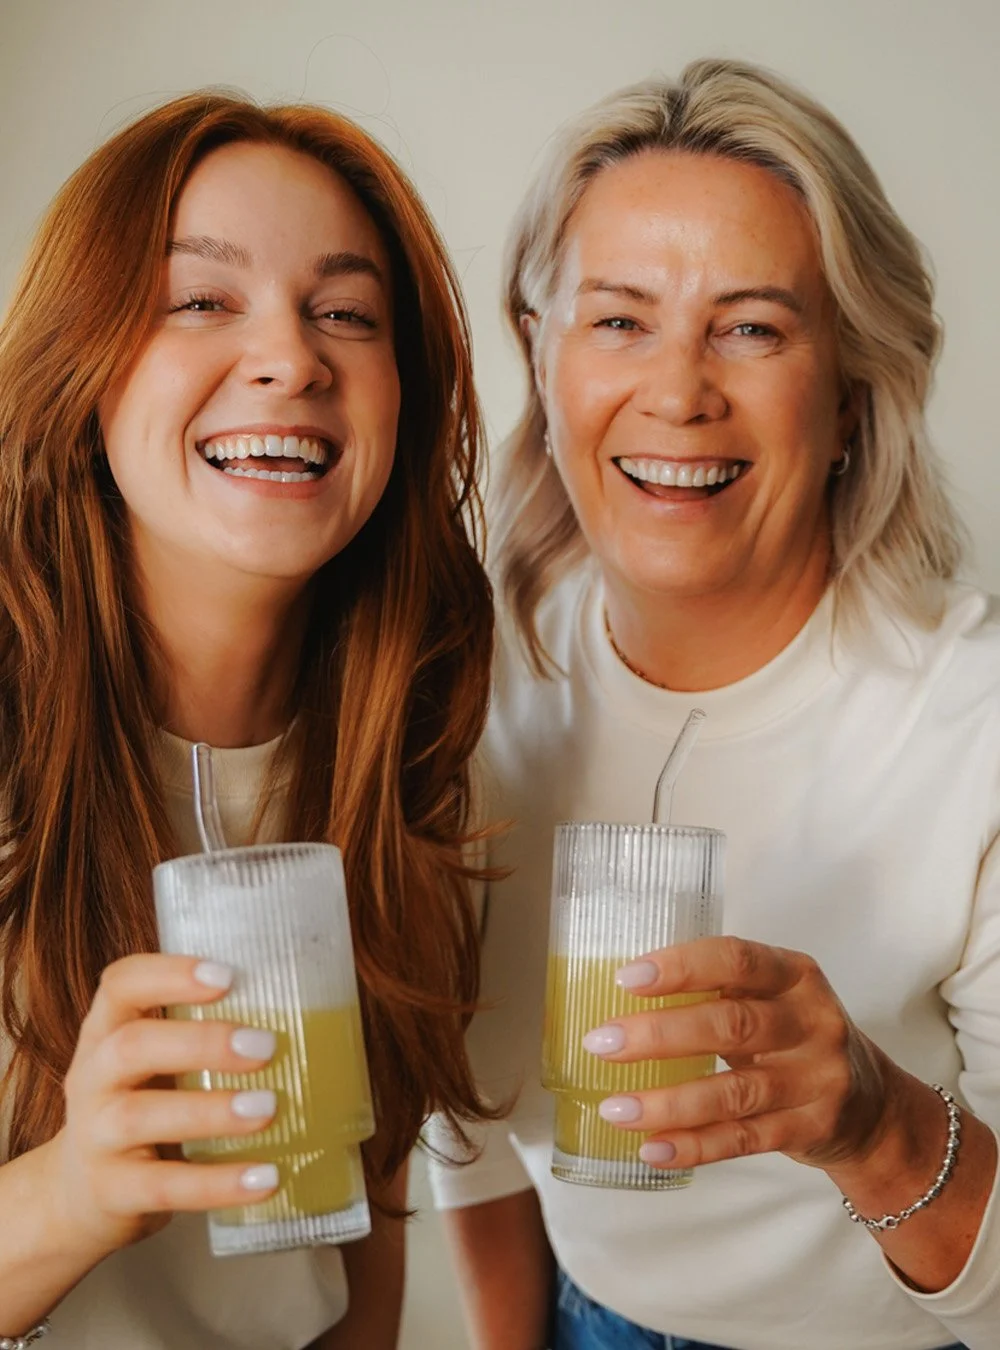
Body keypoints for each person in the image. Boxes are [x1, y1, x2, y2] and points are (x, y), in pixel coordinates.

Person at [429, 59, 1000, 1350]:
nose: (678, 390)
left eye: (752, 326)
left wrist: (876, 1121)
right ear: (544, 353)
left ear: (851, 391)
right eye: (619, 319)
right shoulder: (467, 676)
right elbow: (462, 1121)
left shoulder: (976, 724)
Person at [0, 91, 494, 1348]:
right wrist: (67, 1192)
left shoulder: (407, 761)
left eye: (345, 313)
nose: (292, 357)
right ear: (81, 365)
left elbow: (358, 1242)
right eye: (202, 299)